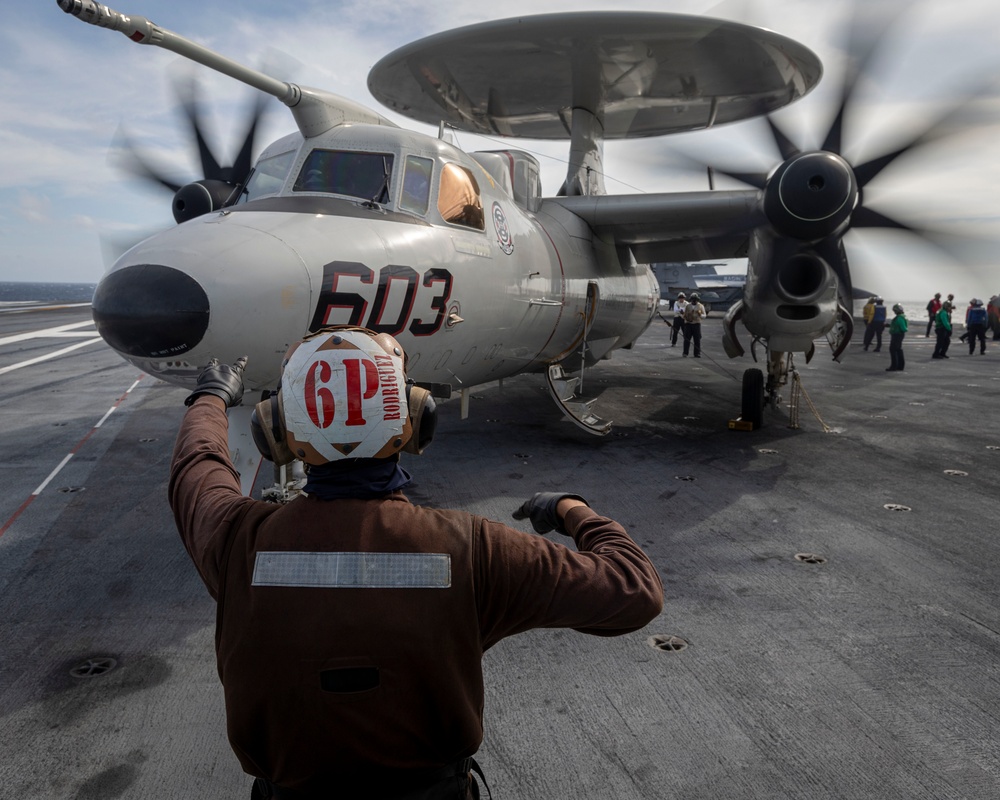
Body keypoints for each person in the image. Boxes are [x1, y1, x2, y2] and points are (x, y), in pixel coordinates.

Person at [168, 326, 664, 800]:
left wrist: (210, 397)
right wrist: (571, 511)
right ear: (414, 419)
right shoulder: (474, 550)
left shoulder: (234, 540)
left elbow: (199, 466)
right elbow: (634, 590)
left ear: (275, 429)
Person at [681, 292, 706, 357]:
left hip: (696, 324)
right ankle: (685, 353)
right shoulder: (688, 306)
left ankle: (697, 353)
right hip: (688, 324)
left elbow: (704, 316)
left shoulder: (701, 306)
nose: (694, 301)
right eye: (693, 300)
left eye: (695, 300)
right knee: (687, 339)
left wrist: (700, 314)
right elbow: (684, 315)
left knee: (697, 340)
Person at [886, 303, 907, 372]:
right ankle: (900, 366)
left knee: (893, 350)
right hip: (898, 335)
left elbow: (903, 328)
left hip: (897, 335)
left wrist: (896, 330)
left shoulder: (899, 318)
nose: (894, 312)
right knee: (898, 349)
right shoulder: (902, 317)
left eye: (895, 310)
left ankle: (894, 366)